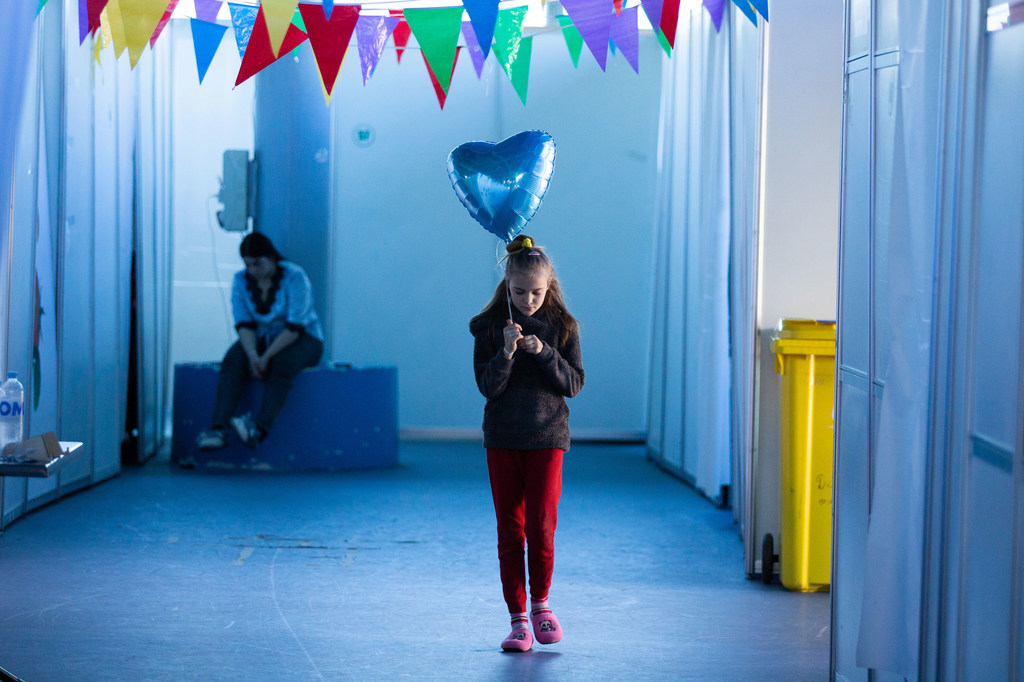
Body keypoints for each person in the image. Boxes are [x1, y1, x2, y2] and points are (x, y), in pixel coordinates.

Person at [469, 234, 585, 652]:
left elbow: (573, 384)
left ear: (550, 285)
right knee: (510, 529)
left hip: (548, 437)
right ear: (507, 287)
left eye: (537, 292)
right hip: (502, 438)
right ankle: (517, 619)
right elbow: (488, 387)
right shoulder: (487, 327)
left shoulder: (564, 327)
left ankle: (542, 606)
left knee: (541, 526)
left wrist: (544, 352)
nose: (528, 300)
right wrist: (505, 353)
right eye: (520, 292)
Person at [196, 232, 323, 450]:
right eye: (248, 265)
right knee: (233, 361)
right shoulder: (240, 280)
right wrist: (253, 356)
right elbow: (244, 324)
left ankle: (259, 429)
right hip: (261, 338)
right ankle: (218, 429)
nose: (253, 270)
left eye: (258, 263)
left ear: (271, 258)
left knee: (283, 365)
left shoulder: (295, 277)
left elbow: (295, 327)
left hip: (303, 339)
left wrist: (266, 357)